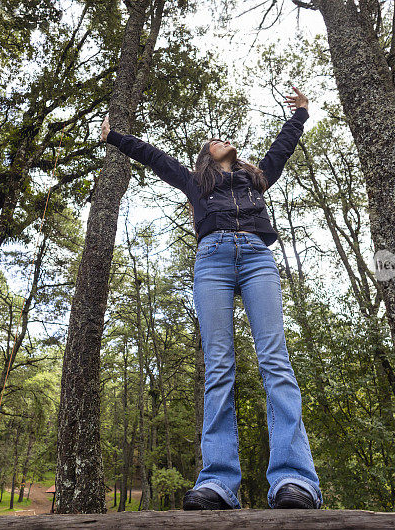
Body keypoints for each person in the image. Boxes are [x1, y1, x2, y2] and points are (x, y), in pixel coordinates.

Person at [100, 87, 322, 510]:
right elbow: (153, 155)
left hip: (257, 257)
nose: (223, 138)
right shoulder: (194, 181)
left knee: (275, 358)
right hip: (213, 259)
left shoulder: (258, 178)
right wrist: (115, 138)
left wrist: (301, 114)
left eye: (225, 138)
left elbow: (283, 147)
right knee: (219, 363)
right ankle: (218, 482)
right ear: (206, 157)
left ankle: (295, 479)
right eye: (214, 140)